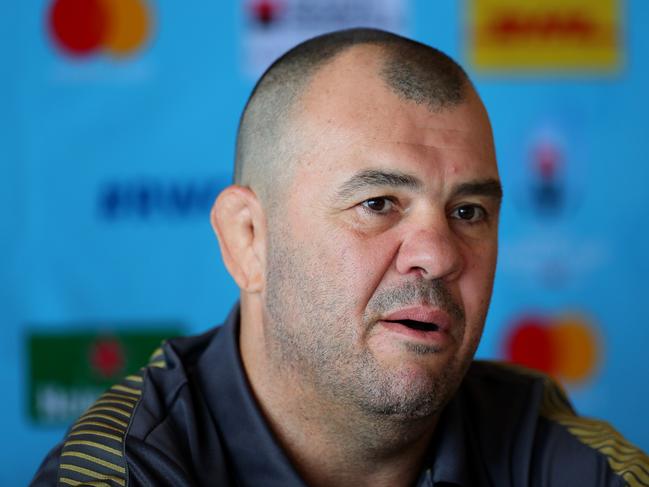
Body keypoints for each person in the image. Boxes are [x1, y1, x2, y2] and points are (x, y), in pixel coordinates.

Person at [32, 28, 648, 487]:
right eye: (379, 203)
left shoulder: (572, 463)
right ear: (249, 239)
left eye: (468, 213)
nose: (437, 256)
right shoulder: (123, 471)